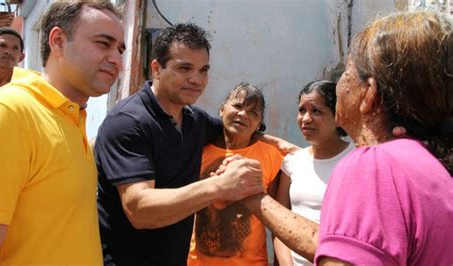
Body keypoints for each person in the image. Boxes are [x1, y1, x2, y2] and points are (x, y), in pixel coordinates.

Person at [241, 10, 453, 265]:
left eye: (346, 72)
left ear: (370, 94)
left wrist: (252, 196)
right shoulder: (431, 163)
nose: (339, 84)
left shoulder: (373, 166)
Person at [94, 23, 295, 266]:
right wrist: (220, 185)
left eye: (203, 70)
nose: (196, 79)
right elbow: (140, 210)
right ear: (156, 68)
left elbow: (235, 127)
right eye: (184, 68)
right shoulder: (130, 122)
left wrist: (282, 145)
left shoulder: (194, 121)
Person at [0, 1, 125, 265]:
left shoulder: (71, 118)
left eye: (120, 49)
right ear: (58, 41)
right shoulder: (10, 112)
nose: (116, 59)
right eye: (104, 44)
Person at [187, 83, 285, 266]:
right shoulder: (198, 152)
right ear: (222, 109)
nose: (243, 114)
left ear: (259, 124)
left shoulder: (272, 156)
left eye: (253, 112)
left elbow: (277, 223)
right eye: (238, 106)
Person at [274, 80, 354, 266]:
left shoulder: (357, 159)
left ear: (337, 115)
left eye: (316, 111)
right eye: (302, 110)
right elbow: (279, 223)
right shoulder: (292, 163)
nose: (306, 118)